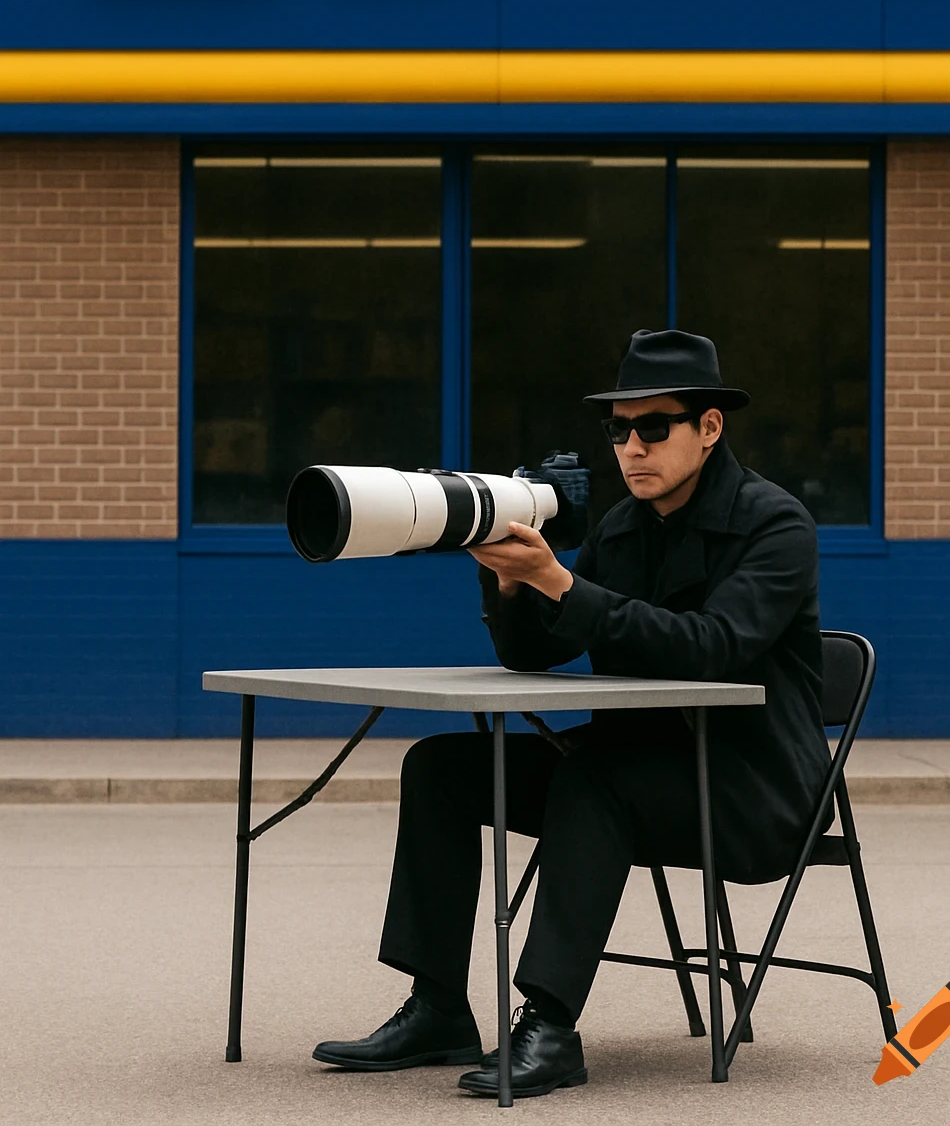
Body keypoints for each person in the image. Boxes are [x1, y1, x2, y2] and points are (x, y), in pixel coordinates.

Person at [312, 329, 832, 1097]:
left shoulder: (774, 525)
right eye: (618, 429)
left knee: (593, 779)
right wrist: (510, 581)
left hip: (753, 791)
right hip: (640, 768)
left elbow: (710, 647)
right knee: (444, 766)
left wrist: (560, 579)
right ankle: (439, 1008)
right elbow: (538, 654)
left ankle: (550, 1027)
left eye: (654, 426)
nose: (632, 447)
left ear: (709, 427)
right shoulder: (623, 528)